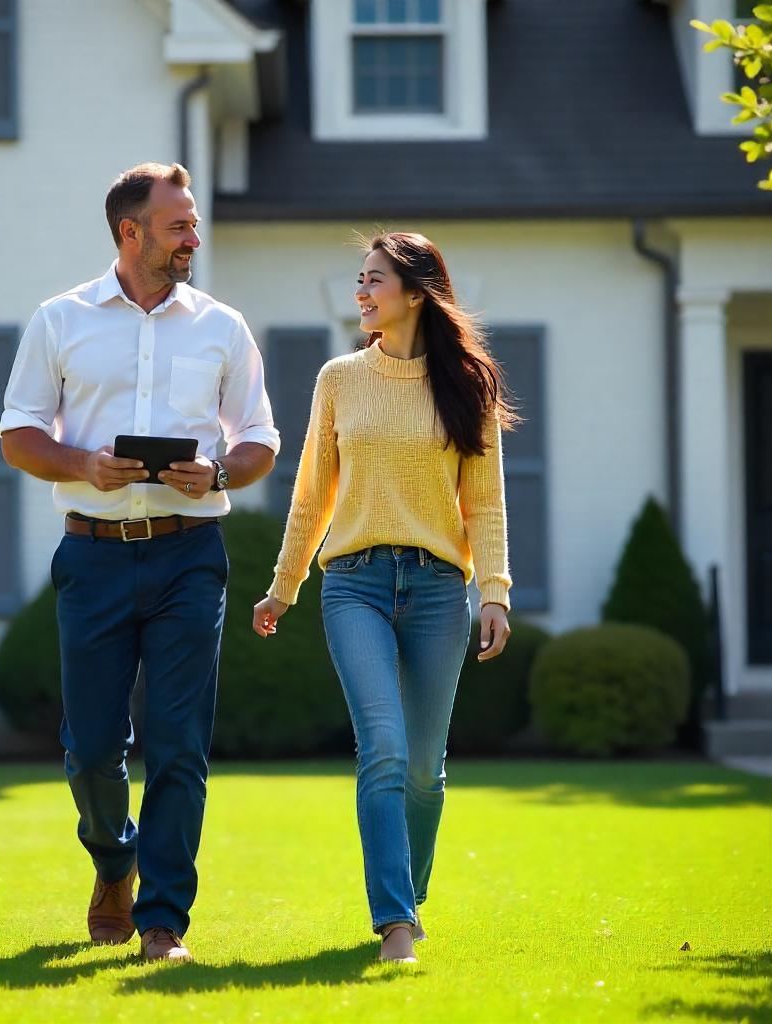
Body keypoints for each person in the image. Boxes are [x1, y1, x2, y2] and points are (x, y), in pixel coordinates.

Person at [0, 162, 279, 963]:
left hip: (192, 556)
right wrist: (82, 464)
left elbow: (260, 439)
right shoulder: (60, 320)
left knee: (180, 743)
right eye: (179, 224)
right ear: (131, 232)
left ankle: (163, 922)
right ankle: (112, 857)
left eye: (192, 222)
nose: (194, 235)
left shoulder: (222, 326)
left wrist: (219, 472)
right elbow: (18, 436)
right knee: (90, 747)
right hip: (91, 556)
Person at [252, 232, 514, 964]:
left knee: (426, 771)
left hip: (437, 590)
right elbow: (311, 497)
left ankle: (410, 894)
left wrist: (493, 591)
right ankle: (395, 922)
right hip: (355, 585)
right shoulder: (339, 379)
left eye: (374, 280)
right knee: (384, 750)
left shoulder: (469, 386)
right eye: (359, 280)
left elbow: (485, 505)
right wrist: (283, 588)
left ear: (416, 291)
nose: (361, 292)